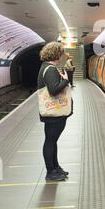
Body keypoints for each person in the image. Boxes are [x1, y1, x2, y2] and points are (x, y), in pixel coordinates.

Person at [37, 42, 72, 182]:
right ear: (56, 54)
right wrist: (65, 80)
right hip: (53, 114)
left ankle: (56, 167)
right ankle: (50, 171)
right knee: (50, 141)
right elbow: (53, 90)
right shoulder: (50, 69)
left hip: (54, 114)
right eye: (60, 54)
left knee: (52, 141)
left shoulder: (46, 66)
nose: (61, 56)